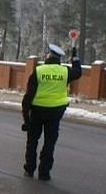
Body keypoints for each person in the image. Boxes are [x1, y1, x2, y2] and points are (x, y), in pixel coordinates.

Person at [21, 43, 82, 181]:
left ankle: (29, 169)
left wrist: (25, 115)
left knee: (32, 141)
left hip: (37, 111)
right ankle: (44, 173)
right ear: (59, 58)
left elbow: (29, 95)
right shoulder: (65, 72)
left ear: (48, 55)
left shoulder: (39, 71)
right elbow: (78, 72)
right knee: (49, 143)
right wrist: (75, 57)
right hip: (55, 113)